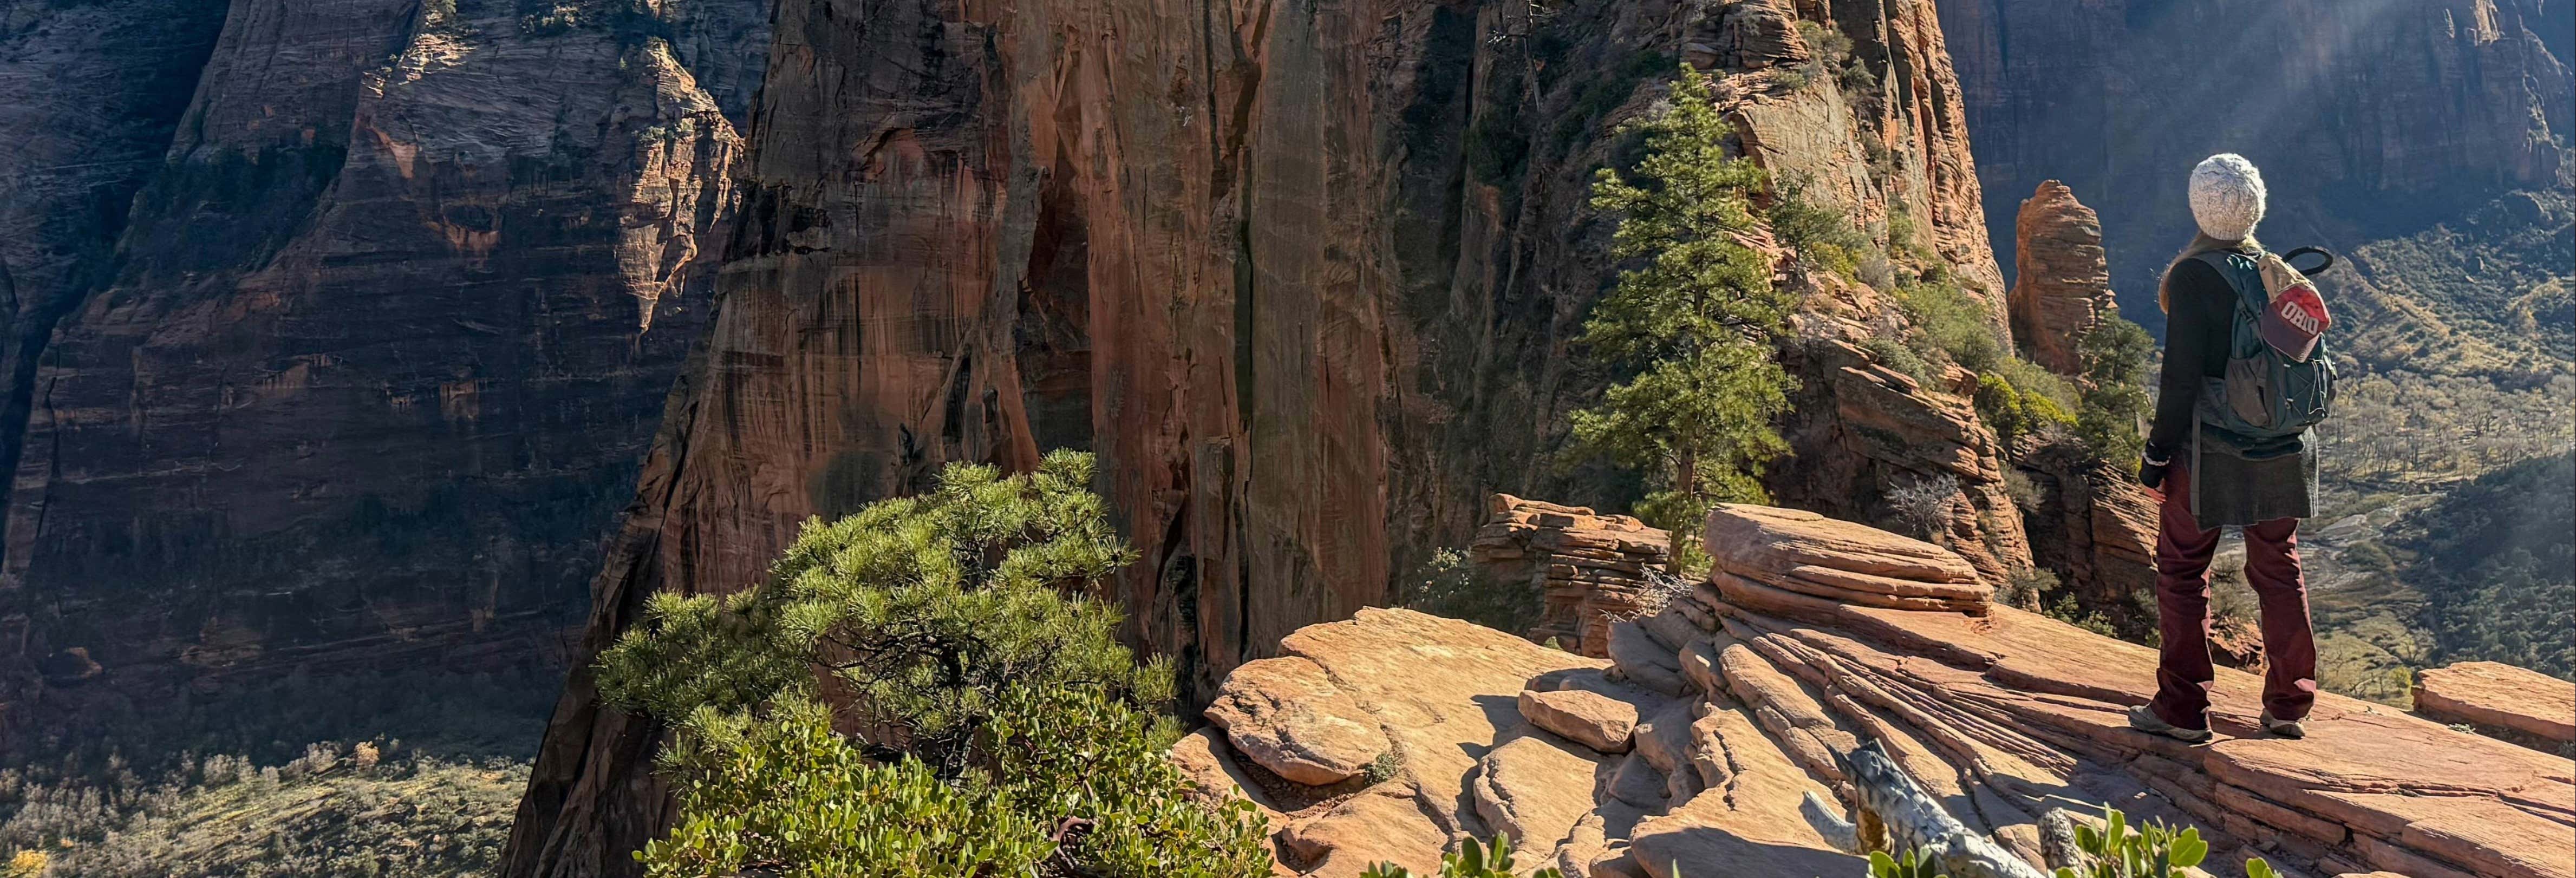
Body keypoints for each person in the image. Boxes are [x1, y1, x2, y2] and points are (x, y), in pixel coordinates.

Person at [2127, 154, 2319, 744]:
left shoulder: (2190, 277)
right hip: (2282, 444)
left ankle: (2182, 710)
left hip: (2208, 447)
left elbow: (2179, 378)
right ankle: (2288, 704)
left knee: (2183, 571)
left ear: (2198, 209)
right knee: (2277, 566)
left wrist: (2156, 457)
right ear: (2254, 206)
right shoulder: (2276, 271)